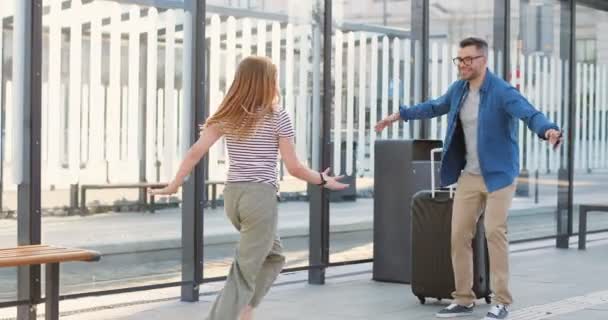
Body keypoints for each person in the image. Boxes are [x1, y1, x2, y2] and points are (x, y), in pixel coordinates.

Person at [375, 37, 562, 320]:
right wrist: (399, 116)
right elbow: (434, 106)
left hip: (499, 175)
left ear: (483, 61)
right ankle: (464, 298)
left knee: (494, 231)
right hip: (470, 176)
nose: (462, 65)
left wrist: (548, 130)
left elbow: (529, 114)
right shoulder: (459, 89)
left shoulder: (502, 91)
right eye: (459, 59)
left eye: (467, 60)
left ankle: (502, 301)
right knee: (458, 235)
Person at [149, 56, 348, 320]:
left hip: (233, 196)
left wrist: (174, 184)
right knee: (243, 272)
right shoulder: (279, 117)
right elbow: (295, 168)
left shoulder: (228, 115)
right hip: (259, 198)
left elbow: (195, 152)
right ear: (269, 82)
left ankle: (246, 310)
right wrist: (323, 180)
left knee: (274, 257)